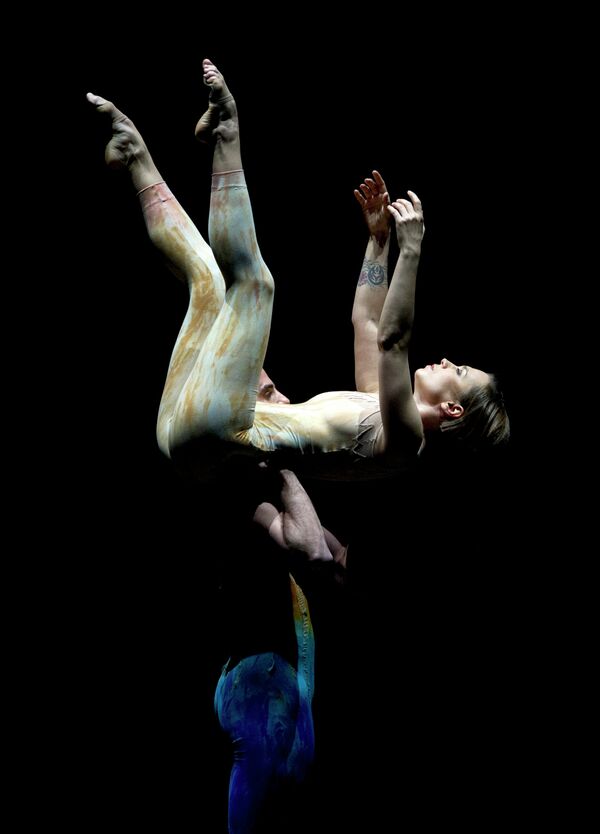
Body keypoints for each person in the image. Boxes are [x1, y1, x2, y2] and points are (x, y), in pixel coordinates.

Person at [87, 58, 509, 486]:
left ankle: (225, 131)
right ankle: (134, 155)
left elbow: (392, 340)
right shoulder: (378, 405)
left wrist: (413, 250)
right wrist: (380, 243)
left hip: (217, 430)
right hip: (189, 426)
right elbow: (367, 323)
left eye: (458, 372)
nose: (447, 362)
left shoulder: (405, 441)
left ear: (454, 410)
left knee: (255, 285)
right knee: (208, 282)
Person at [213, 466, 346, 834]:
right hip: (260, 680)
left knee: (288, 805)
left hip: (291, 686)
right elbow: (316, 553)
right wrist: (285, 468)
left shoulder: (288, 516)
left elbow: (340, 565)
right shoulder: (250, 504)